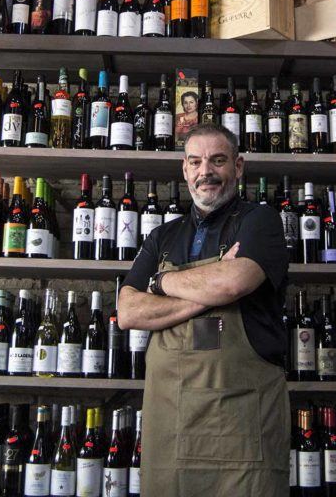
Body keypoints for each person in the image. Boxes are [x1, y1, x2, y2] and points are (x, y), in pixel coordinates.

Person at [119, 123, 289, 496]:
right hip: (170, 421)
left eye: (217, 160)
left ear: (238, 167)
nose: (205, 171)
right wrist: (205, 289)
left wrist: (160, 283)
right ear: (185, 169)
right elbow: (128, 311)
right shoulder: (162, 236)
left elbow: (232, 284)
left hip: (242, 425)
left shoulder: (260, 221)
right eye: (195, 162)